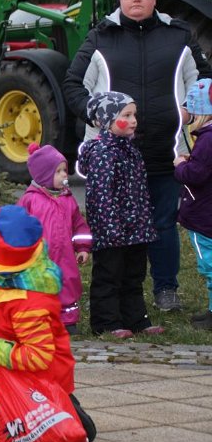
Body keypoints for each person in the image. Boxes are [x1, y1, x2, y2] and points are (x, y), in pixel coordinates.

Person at [63, 0, 212, 313]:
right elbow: (73, 85)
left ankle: (166, 288)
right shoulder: (100, 37)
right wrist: (97, 115)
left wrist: (190, 111)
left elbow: (204, 81)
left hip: (165, 149)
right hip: (112, 158)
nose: (137, 0)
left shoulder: (178, 35)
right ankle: (115, 297)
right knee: (113, 226)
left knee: (163, 223)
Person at [0, 205, 95, 442]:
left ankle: (69, 413)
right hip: (13, 369)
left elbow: (37, 356)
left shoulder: (30, 303)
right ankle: (63, 408)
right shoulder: (11, 280)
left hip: (40, 377)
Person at [78, 91, 164, 338]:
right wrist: (110, 228)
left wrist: (143, 222)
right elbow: (101, 195)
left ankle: (136, 319)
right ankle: (106, 322)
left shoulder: (130, 150)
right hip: (112, 232)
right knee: (109, 275)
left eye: (134, 114)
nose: (133, 120)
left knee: (133, 275)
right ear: (106, 120)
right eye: (126, 115)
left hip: (136, 229)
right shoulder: (103, 153)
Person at [18, 143, 92, 335]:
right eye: (58, 171)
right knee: (40, 287)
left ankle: (68, 321)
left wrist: (82, 247)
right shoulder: (31, 200)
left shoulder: (68, 199)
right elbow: (19, 227)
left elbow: (78, 225)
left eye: (64, 170)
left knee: (67, 284)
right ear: (44, 175)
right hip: (40, 259)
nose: (64, 175)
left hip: (65, 256)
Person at [174, 78, 212, 330]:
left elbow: (196, 175)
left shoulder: (207, 140)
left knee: (209, 265)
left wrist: (181, 166)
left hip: (203, 217)